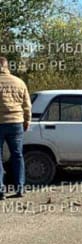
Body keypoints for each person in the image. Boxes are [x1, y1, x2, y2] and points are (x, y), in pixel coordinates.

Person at [0, 57, 31, 199]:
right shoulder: (19, 82)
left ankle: (1, 191)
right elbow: (27, 105)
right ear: (7, 66)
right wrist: (27, 121)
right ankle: (20, 188)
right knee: (17, 155)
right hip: (16, 123)